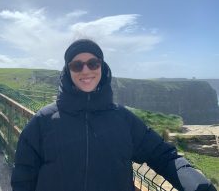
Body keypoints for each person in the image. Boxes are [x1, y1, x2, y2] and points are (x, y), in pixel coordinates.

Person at [11, 39, 217, 191]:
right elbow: (23, 176)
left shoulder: (123, 119)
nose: (86, 70)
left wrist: (199, 186)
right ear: (68, 72)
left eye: (93, 63)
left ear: (102, 67)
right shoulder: (43, 120)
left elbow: (164, 156)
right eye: (76, 65)